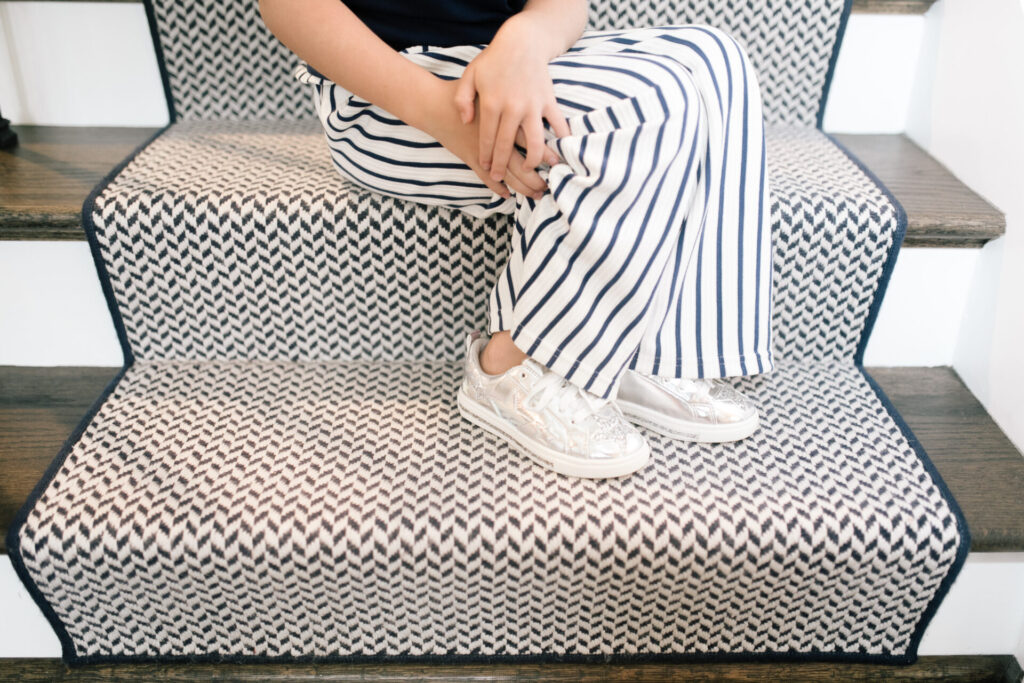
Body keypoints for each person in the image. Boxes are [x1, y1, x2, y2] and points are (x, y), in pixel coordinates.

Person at [259, 0, 773, 479]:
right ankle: (516, 363)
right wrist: (444, 114)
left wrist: (523, 39)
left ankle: (646, 350)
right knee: (648, 105)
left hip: (510, 66)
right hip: (391, 91)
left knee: (714, 56)